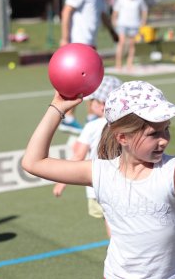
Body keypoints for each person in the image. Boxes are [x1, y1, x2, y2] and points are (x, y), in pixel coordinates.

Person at [23, 80, 175, 278]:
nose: (164, 140)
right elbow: (33, 162)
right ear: (122, 137)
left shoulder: (174, 172)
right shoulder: (101, 172)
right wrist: (58, 107)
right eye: (154, 133)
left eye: (167, 129)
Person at [52, 75, 122, 237]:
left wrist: (62, 182)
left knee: (110, 220)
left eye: (93, 102)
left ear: (102, 105)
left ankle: (117, 249)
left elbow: (78, 157)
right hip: (122, 181)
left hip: (98, 186)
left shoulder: (91, 127)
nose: (90, 105)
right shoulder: (125, 125)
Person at [58, 0, 118, 134]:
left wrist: (113, 32)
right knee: (74, 82)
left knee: (91, 81)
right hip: (78, 41)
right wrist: (65, 38)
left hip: (90, 43)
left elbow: (103, 14)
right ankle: (68, 118)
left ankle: (91, 117)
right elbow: (67, 11)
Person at [112, 0, 148, 71]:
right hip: (122, 24)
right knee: (122, 42)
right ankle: (118, 63)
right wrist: (114, 20)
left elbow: (144, 10)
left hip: (134, 24)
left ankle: (129, 64)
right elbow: (116, 10)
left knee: (132, 44)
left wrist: (143, 21)